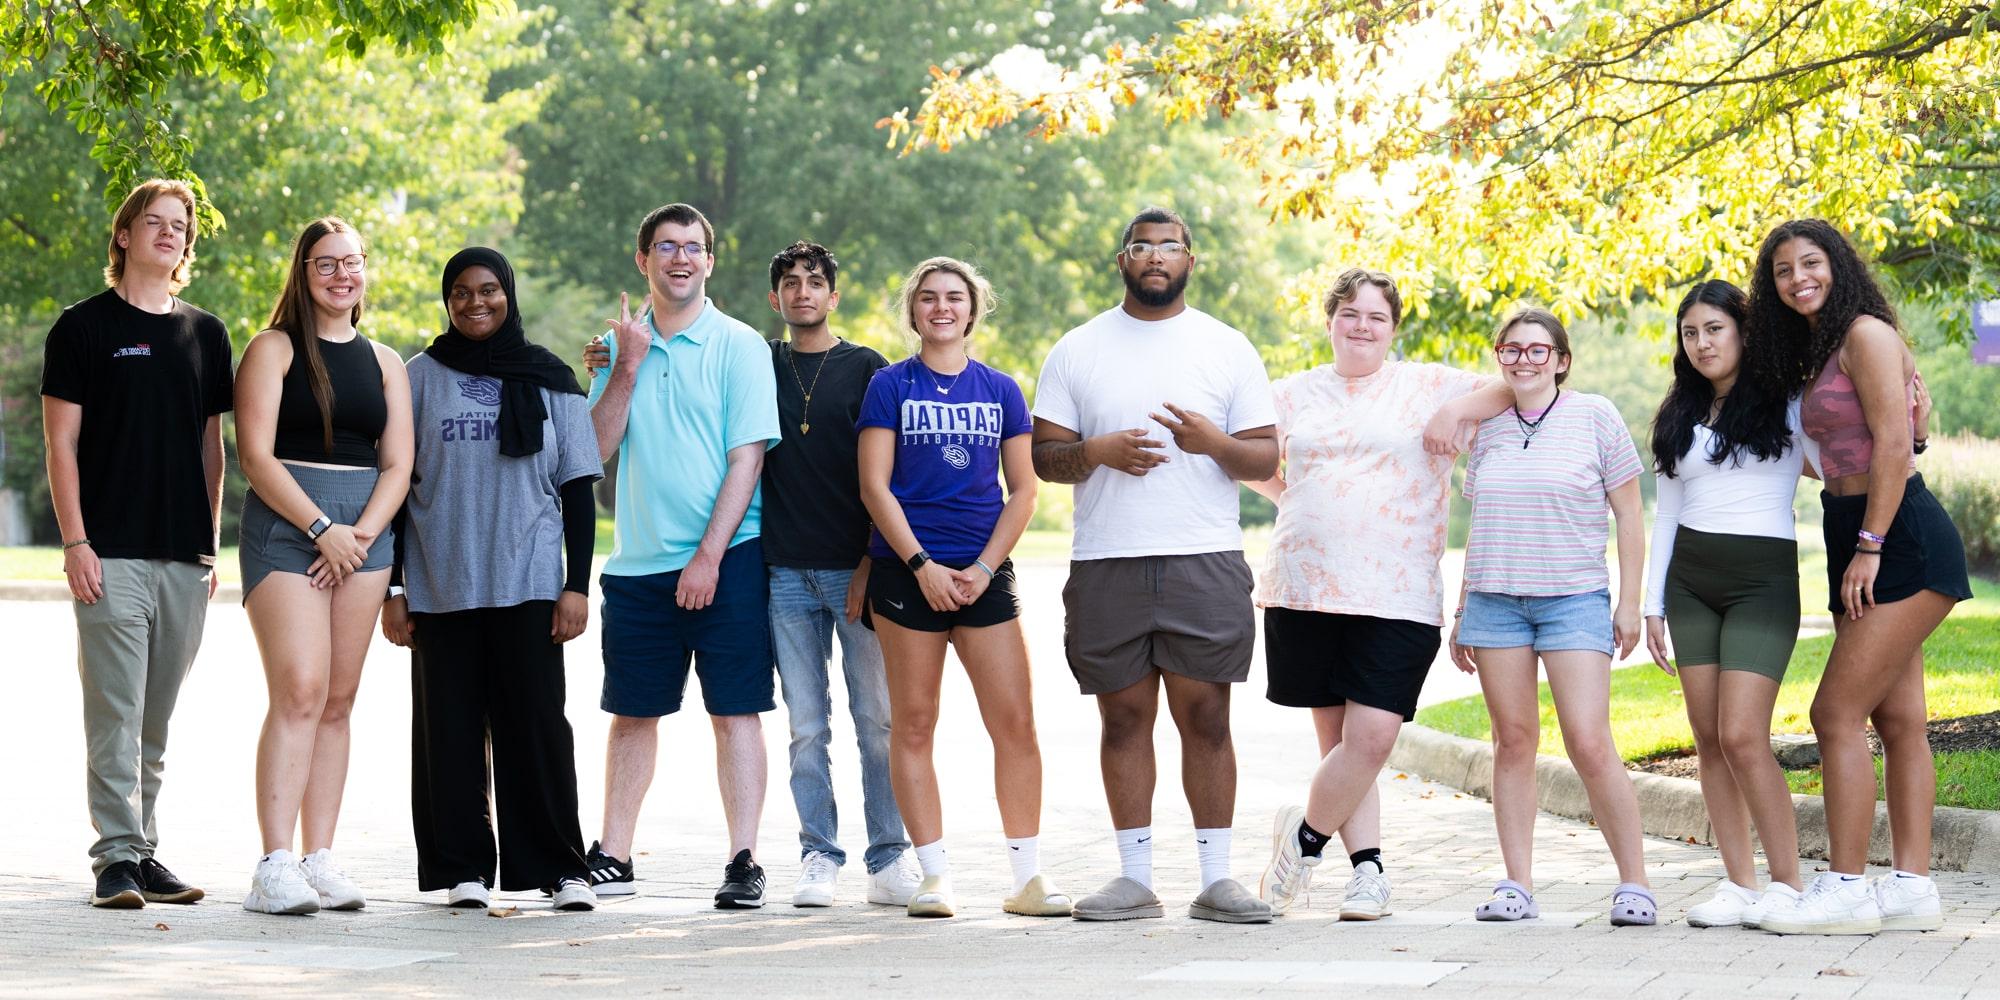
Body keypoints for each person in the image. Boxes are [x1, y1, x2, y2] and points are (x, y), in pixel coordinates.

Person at [583, 242, 922, 908]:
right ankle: (815, 856)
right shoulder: (750, 354)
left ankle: (886, 857)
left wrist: (870, 562)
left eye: (815, 283)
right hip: (779, 572)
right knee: (804, 727)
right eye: (790, 283)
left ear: (834, 294)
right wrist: (613, 360)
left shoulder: (856, 368)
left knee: (874, 720)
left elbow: (888, 475)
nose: (803, 293)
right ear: (775, 298)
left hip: (826, 570)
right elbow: (607, 433)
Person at [1033, 207, 1278, 924]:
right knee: (1123, 719)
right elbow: (1044, 458)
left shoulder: (1227, 347)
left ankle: (1217, 878)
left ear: (1190, 260)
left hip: (1203, 556)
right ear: (1122, 259)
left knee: (1206, 717)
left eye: (1169, 246)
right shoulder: (1076, 349)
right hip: (1108, 559)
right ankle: (1135, 877)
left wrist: (1214, 444)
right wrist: (1099, 452)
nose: (1155, 256)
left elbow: (1265, 457)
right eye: (1141, 245)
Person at [1250, 269, 1508, 917]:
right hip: (1306, 587)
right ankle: (1368, 873)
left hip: (1399, 591)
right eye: (1350, 314)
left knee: (1372, 739)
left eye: (1377, 317)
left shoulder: (1427, 384)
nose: (1362, 326)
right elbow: (1242, 456)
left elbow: (1517, 386)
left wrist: (1456, 410)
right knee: (1340, 746)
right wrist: (1290, 498)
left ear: (1394, 329)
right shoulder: (1291, 393)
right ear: (1331, 320)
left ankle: (1303, 843)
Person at [1748, 220, 1969, 936]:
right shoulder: (1814, 352)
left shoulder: (1866, 333)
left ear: (1837, 265)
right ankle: (1912, 890)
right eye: (1782, 271)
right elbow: (1844, 446)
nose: (1797, 278)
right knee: (1898, 719)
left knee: (1834, 714)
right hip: (1852, 529)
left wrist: (1871, 545)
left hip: (1897, 536)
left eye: (1810, 263)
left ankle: (1845, 885)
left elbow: (1895, 445)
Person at [378, 247, 600, 913]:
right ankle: (462, 868)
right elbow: (392, 485)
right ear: (446, 301)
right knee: (447, 735)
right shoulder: (417, 377)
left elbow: (579, 489)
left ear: (508, 293)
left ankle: (561, 869)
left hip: (529, 583)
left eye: (489, 290)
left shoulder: (552, 377)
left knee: (536, 730)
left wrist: (577, 585)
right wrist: (393, 587)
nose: (476, 303)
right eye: (461, 293)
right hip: (441, 585)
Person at [856, 256, 1068, 919]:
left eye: (955, 297)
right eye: (928, 298)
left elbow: (1025, 490)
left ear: (973, 310)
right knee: (913, 724)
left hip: (984, 576)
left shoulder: (1001, 389)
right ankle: (935, 876)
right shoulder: (889, 386)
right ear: (913, 311)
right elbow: (874, 487)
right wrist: (920, 564)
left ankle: (1027, 878)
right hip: (906, 573)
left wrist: (980, 569)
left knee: (1016, 726)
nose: (942, 307)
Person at [584, 203, 782, 908]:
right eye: (665, 247)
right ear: (643, 261)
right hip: (637, 566)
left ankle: (744, 859)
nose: (680, 259)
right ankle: (613, 853)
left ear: (709, 261)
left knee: (734, 712)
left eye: (693, 248)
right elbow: (596, 450)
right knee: (632, 713)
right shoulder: (614, 350)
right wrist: (626, 367)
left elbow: (747, 458)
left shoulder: (740, 345)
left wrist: (707, 557)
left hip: (727, 559)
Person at [42, 178, 231, 909]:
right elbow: (61, 443)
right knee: (114, 711)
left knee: (155, 717)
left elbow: (214, 449)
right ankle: (115, 857)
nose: (169, 233)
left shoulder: (206, 334)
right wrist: (75, 541)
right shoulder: (81, 327)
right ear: (123, 236)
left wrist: (211, 545)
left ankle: (143, 850)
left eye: (179, 225)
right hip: (108, 550)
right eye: (153, 222)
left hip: (185, 556)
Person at [1446, 306, 1659, 926]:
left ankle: (1636, 884)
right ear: (1499, 358)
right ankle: (1516, 884)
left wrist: (1628, 601)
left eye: (1538, 350)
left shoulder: (1595, 416)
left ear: (1561, 360)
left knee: (1590, 742)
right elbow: (1482, 521)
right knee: (1511, 742)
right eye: (1511, 350)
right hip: (1495, 602)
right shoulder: (1486, 427)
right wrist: (1462, 608)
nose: (1524, 360)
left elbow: (1629, 517)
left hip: (1573, 600)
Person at [235, 216, 413, 914]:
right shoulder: (272, 349)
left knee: (339, 701)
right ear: (302, 272)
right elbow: (255, 455)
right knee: (301, 691)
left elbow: (398, 463)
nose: (343, 275)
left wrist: (360, 535)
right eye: (327, 264)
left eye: (353, 262)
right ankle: (273, 866)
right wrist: (320, 528)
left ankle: (320, 859)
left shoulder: (387, 362)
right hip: (288, 531)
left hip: (364, 538)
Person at [1642, 280, 1807, 928]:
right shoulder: (1678, 414)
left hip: (1762, 583)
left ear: (1742, 330)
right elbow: (1666, 515)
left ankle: (1788, 885)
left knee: (1743, 734)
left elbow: (1846, 453)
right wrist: (1652, 604)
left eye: (1714, 328)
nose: (1702, 342)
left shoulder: (1787, 404)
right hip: (1690, 585)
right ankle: (1740, 885)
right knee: (1709, 738)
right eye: (1690, 332)